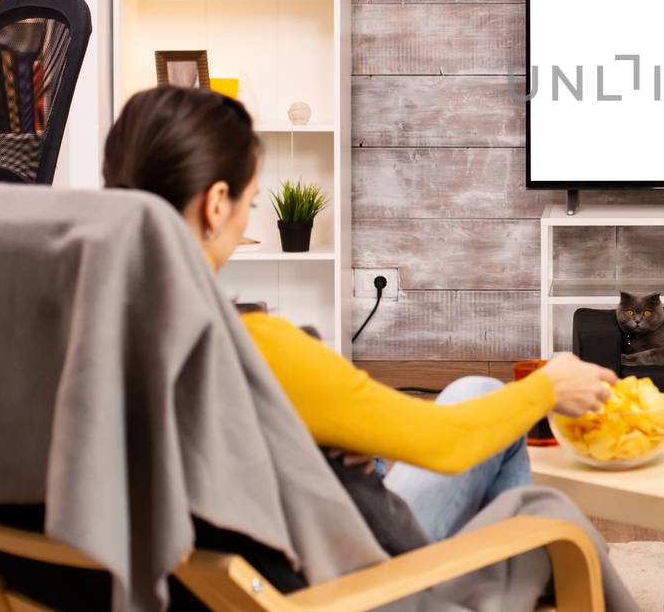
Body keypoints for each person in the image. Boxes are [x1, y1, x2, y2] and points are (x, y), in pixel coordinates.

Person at [101, 87, 619, 546]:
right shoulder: (255, 349)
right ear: (216, 205)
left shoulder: (85, 336)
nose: (244, 220)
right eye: (251, 203)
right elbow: (446, 443)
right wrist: (547, 387)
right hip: (345, 584)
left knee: (475, 393)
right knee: (544, 515)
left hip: (203, 574)